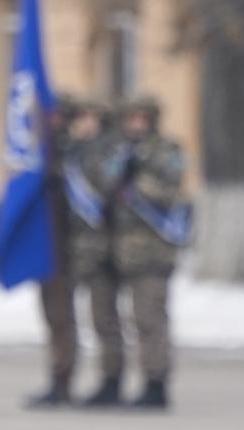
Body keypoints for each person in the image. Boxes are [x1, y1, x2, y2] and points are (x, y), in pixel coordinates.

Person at [84, 96, 188, 410]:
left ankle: (155, 383)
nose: (136, 125)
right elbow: (98, 186)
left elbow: (169, 192)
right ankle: (110, 380)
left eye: (142, 118)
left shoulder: (165, 152)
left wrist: (137, 182)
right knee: (105, 318)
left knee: (149, 318)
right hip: (113, 248)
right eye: (131, 118)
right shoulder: (116, 150)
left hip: (151, 251)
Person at [26, 95, 82, 408]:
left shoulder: (71, 155)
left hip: (67, 251)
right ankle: (57, 375)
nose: (52, 122)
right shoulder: (41, 153)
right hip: (46, 248)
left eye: (58, 116)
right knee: (52, 316)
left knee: (64, 317)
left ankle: (64, 379)